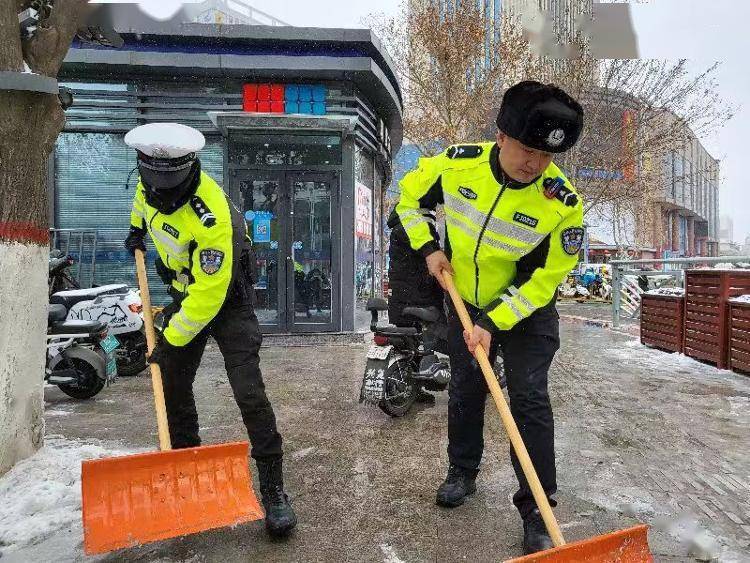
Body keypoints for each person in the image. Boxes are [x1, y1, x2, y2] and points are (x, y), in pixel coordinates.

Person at [392, 81, 585, 555]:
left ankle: (537, 509)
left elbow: (544, 283)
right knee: (466, 387)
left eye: (545, 155)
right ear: (501, 136)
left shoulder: (561, 204)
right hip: (467, 297)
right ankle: (462, 471)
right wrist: (431, 249)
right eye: (527, 149)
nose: (536, 164)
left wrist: (494, 322)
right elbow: (408, 200)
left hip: (525, 309)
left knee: (528, 397)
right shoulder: (456, 166)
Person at [123, 122, 297, 538]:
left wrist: (169, 338)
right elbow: (142, 203)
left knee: (249, 392)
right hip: (187, 292)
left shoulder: (211, 212)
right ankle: (185, 465)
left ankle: (274, 490)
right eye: (154, 179)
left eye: (172, 181)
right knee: (174, 384)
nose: (163, 190)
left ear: (190, 167)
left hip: (226, 301)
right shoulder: (148, 187)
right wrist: (135, 229)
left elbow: (208, 297)